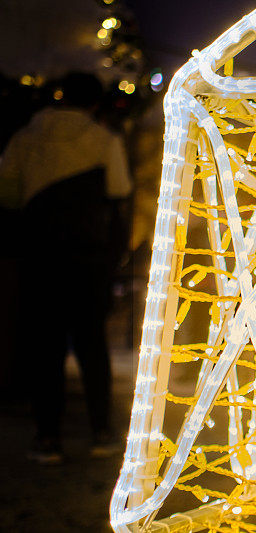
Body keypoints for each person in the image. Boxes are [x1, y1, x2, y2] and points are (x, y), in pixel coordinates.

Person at [0, 72, 132, 464]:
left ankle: (47, 438)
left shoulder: (25, 137)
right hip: (88, 260)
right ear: (94, 103)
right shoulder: (103, 140)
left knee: (46, 347)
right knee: (92, 345)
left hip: (39, 258)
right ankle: (102, 432)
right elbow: (120, 191)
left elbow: (7, 192)